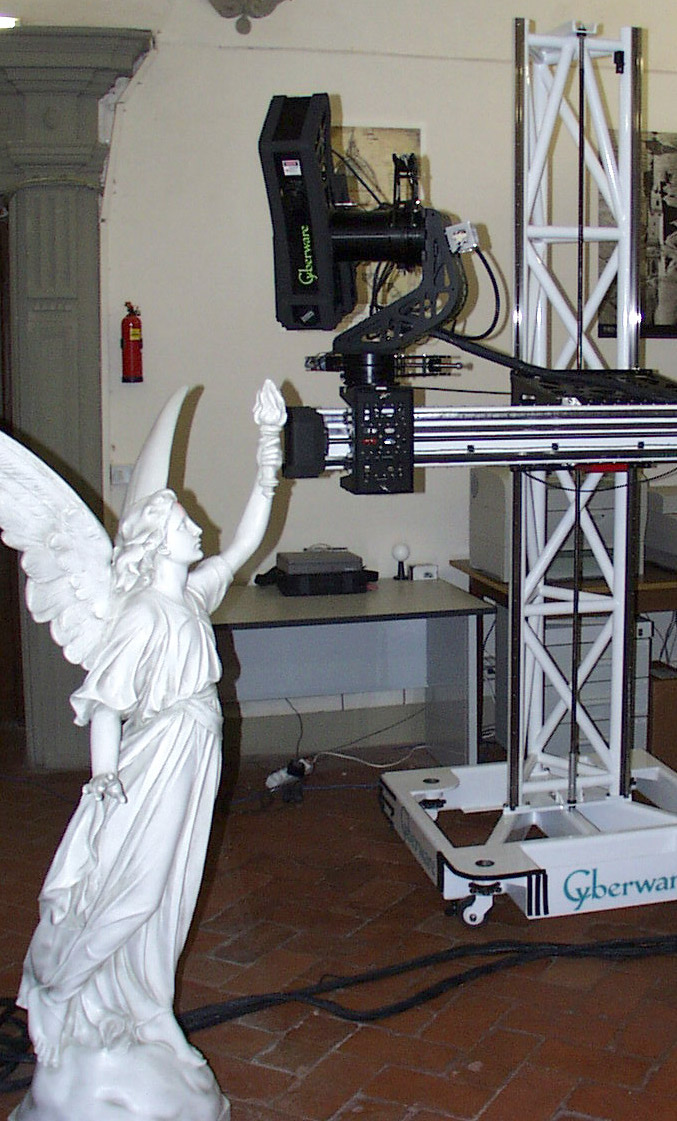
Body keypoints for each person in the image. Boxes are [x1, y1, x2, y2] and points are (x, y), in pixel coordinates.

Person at [11, 381, 286, 1118]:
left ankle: (149, 1007)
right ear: (157, 539)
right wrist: (104, 780)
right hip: (157, 759)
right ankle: (65, 992)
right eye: (183, 521)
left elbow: (247, 542)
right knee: (132, 889)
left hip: (195, 754)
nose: (197, 526)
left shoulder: (192, 594)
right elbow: (104, 702)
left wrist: (268, 452)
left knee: (170, 895)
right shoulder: (140, 617)